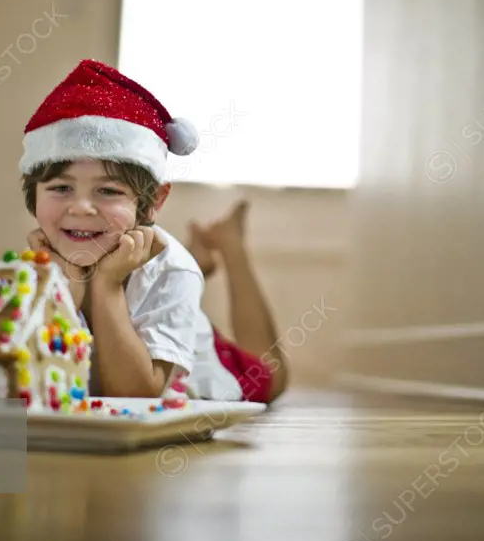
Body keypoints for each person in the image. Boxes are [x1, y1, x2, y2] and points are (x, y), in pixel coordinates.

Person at [19, 59, 287, 404]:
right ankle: (200, 259)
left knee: (272, 373)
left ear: (154, 200)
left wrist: (107, 283)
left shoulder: (174, 271)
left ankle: (231, 245)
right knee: (171, 282)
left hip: (214, 367)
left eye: (108, 191)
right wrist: (60, 287)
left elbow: (134, 393)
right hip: (159, 300)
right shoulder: (45, 261)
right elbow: (40, 374)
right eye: (60, 188)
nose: (81, 208)